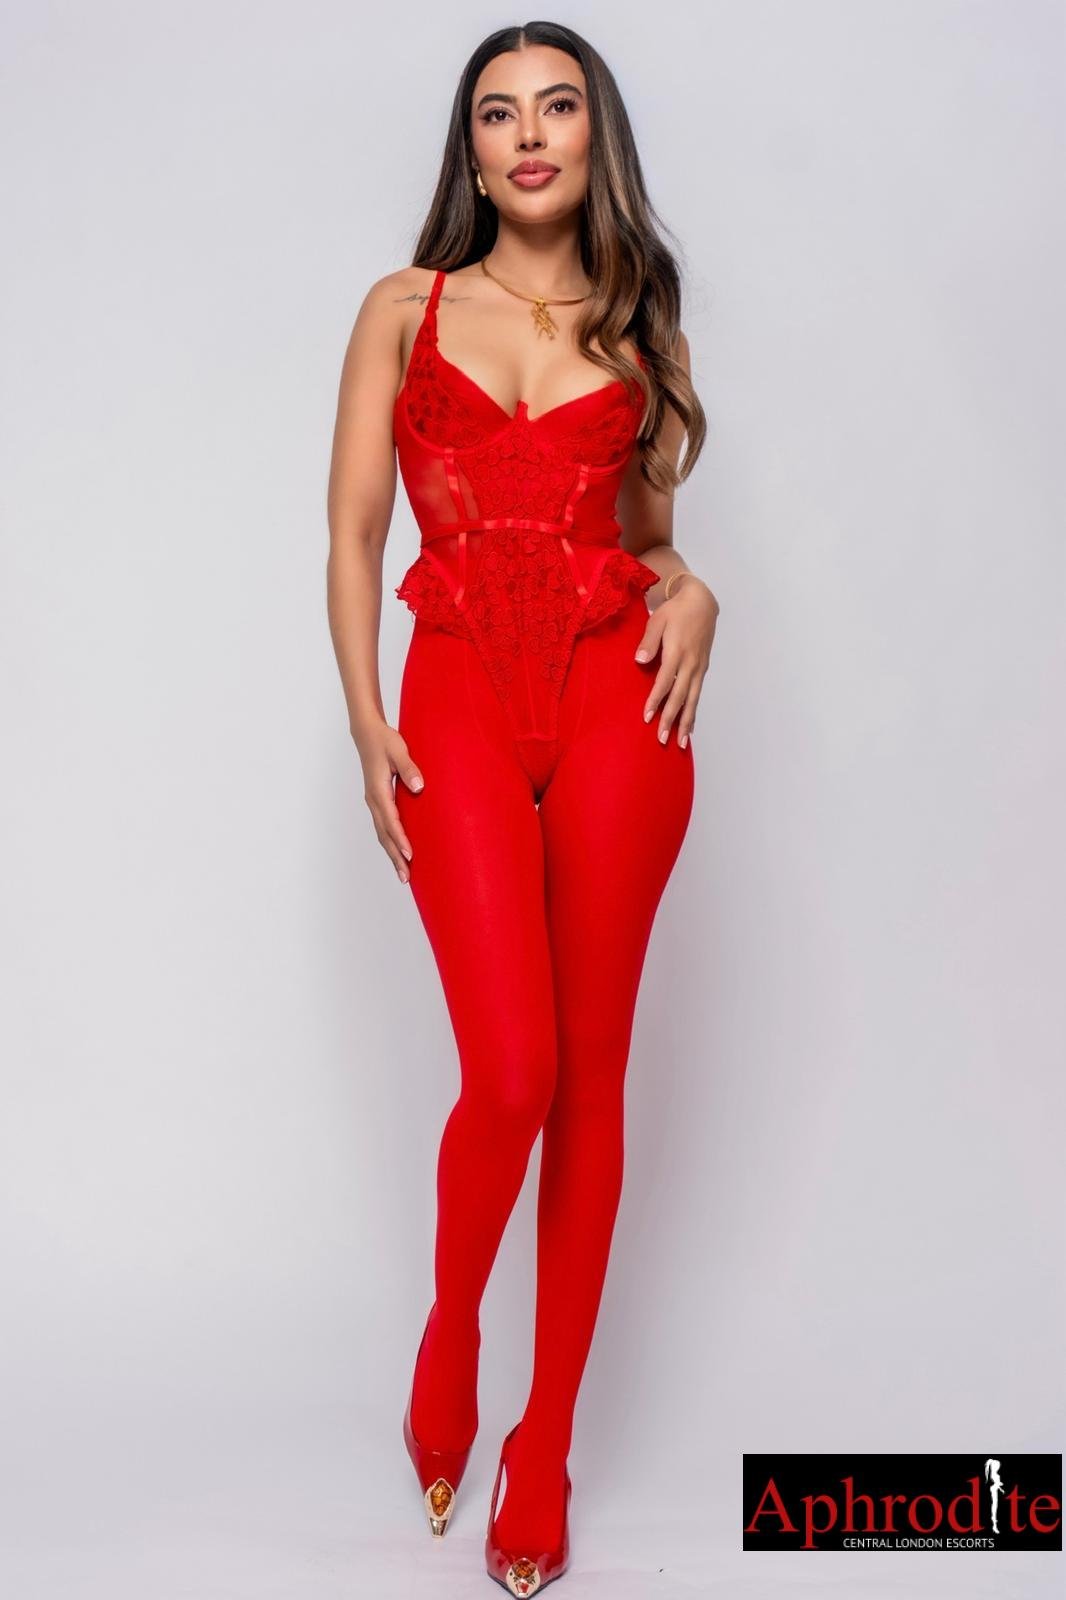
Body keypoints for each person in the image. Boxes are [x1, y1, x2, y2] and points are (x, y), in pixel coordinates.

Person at [327, 20, 720, 1594]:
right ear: (472, 153)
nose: (531, 134)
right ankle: (451, 1329)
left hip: (621, 703)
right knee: (511, 1070)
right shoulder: (403, 309)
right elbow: (355, 533)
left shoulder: (639, 321)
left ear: (592, 136)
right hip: (455, 699)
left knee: (592, 1075)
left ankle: (541, 1442)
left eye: (558, 107)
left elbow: (648, 538)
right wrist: (365, 720)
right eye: (498, 114)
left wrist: (697, 592)